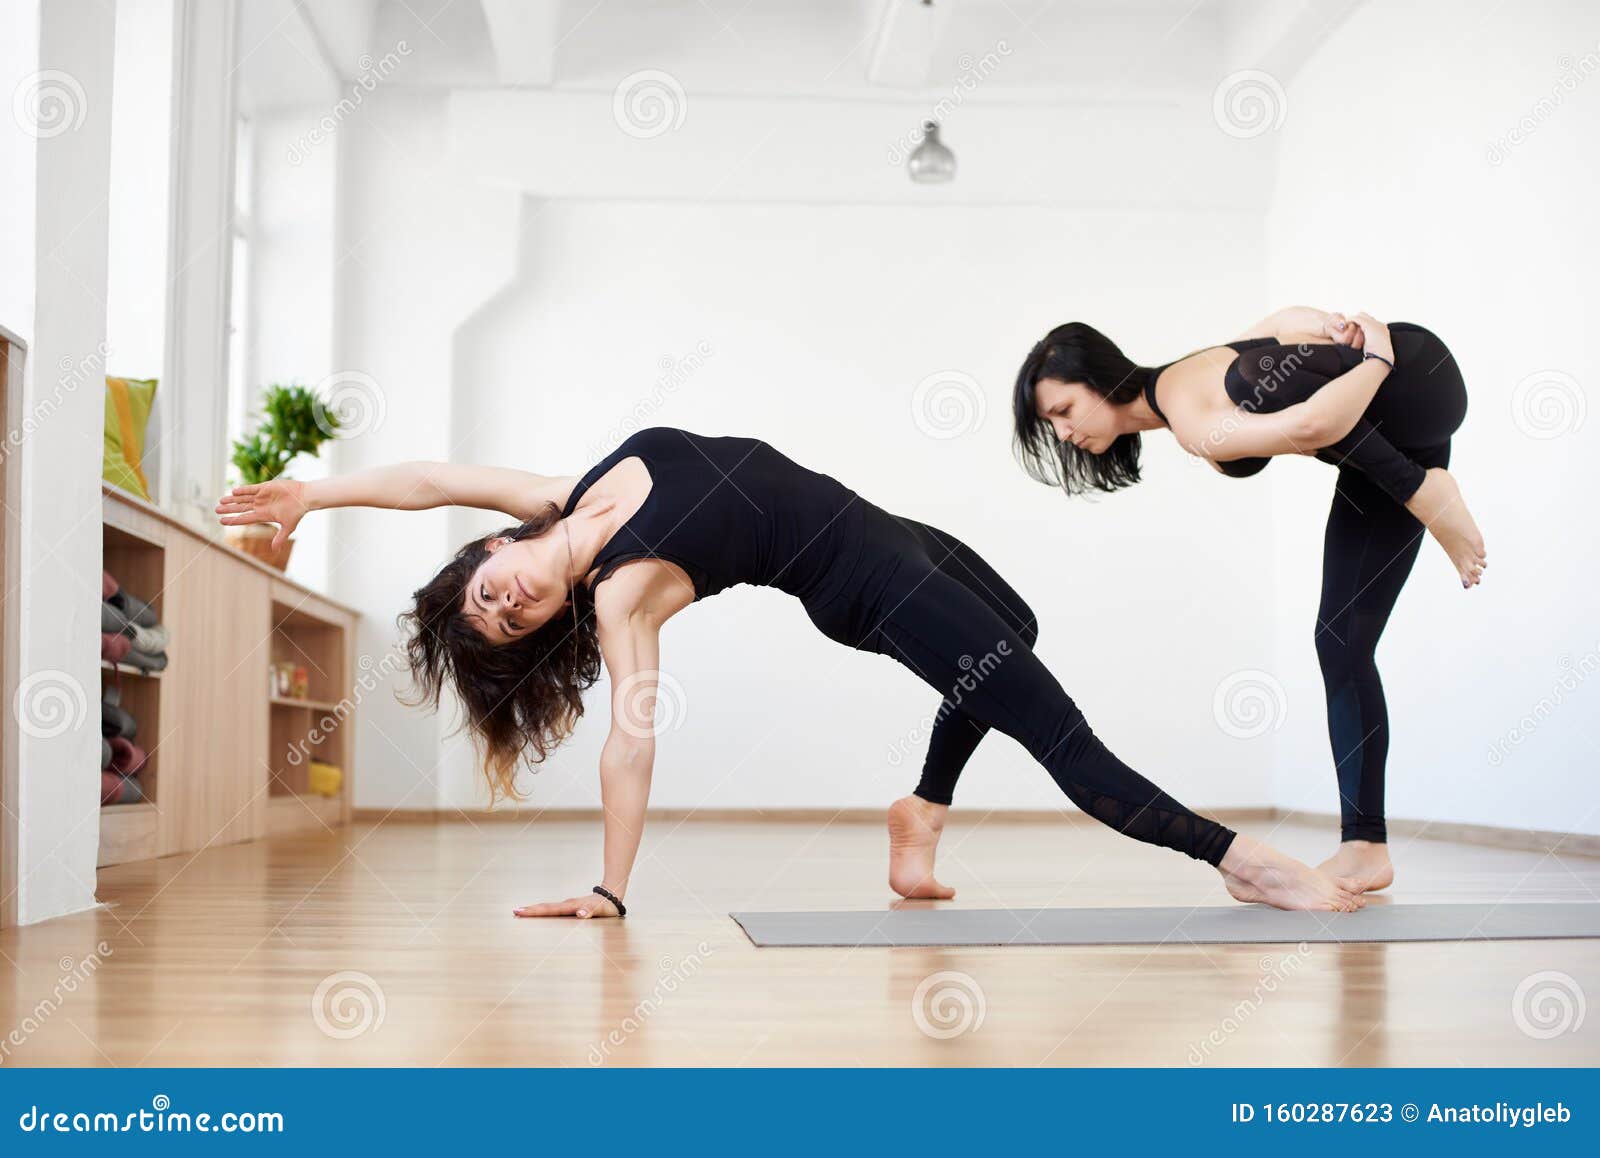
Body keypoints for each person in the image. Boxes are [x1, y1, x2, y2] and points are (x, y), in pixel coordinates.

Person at [218, 426, 1370, 916]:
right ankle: (1238, 860)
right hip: (867, 586)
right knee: (1056, 732)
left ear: (491, 551)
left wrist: (316, 493)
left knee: (1017, 617)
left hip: (892, 528)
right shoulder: (622, 593)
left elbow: (431, 476)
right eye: (510, 628)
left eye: (489, 593)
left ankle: (918, 814)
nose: (508, 605)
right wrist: (612, 889)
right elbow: (632, 738)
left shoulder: (564, 495)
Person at [1011, 309, 1483, 890]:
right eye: (1050, 423)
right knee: (1341, 642)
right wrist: (1339, 333)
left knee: (1261, 386)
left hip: (1415, 380)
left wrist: (1379, 355)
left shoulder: (1187, 412)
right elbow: (1286, 326)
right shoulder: (1186, 386)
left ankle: (1423, 491)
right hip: (1396, 435)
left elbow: (1312, 427)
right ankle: (1366, 847)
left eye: (1062, 411)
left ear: (1101, 378)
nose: (1063, 433)